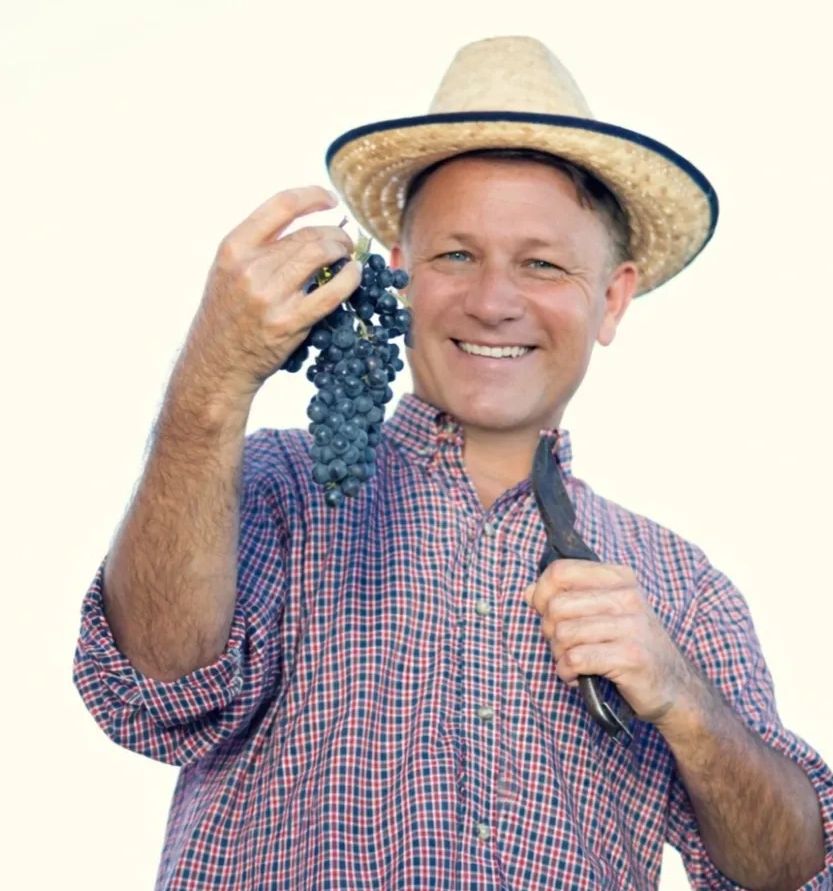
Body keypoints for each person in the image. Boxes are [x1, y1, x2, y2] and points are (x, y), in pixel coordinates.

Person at [73, 35, 832, 889]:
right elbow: (149, 689)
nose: (492, 301)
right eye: (455, 255)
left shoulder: (683, 594)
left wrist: (683, 699)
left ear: (611, 298)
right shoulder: (270, 490)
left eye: (540, 263)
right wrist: (211, 377)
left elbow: (797, 872)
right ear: (397, 270)